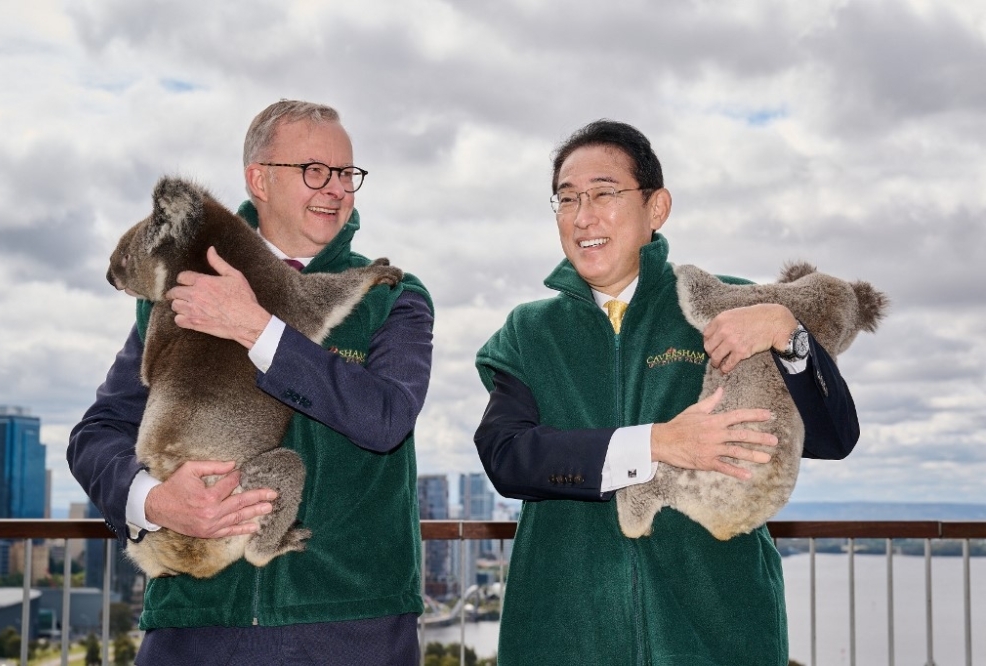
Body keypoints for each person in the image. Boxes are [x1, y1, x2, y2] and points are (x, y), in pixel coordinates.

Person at [474, 119, 859, 665]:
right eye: (566, 198)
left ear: (656, 208)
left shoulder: (730, 305)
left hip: (716, 631)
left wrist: (789, 334)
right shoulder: (529, 332)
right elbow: (507, 458)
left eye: (604, 193)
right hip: (566, 631)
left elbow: (833, 437)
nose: (583, 216)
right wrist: (656, 443)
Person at [68, 100, 434, 665]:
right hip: (194, 624)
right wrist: (155, 501)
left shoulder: (392, 298)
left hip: (352, 628)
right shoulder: (177, 297)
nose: (336, 188)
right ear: (258, 179)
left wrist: (259, 329)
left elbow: (384, 420)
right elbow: (96, 435)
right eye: (315, 170)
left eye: (347, 174)